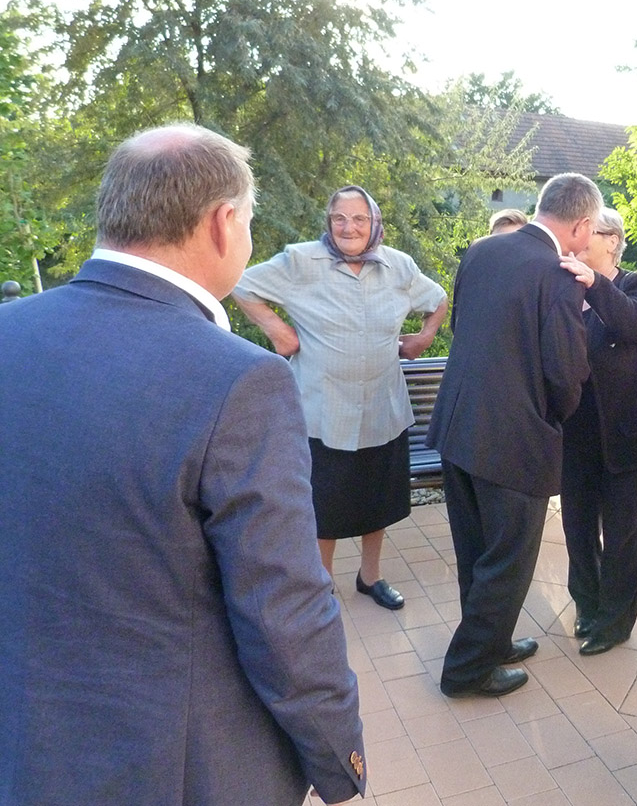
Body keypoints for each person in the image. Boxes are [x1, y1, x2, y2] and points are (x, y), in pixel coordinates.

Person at [0, 124, 365, 805]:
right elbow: (283, 607)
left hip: (26, 751)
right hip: (179, 766)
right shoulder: (239, 380)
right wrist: (339, 758)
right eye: (249, 221)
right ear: (224, 223)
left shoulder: (9, 331)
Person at [233, 185, 447, 610]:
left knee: (378, 500)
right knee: (324, 505)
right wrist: (277, 330)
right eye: (339, 218)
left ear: (375, 223)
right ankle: (322, 584)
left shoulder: (398, 266)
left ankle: (371, 577)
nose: (349, 227)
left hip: (383, 409)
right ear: (328, 222)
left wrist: (424, 337)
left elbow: (438, 299)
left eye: (359, 219)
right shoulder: (300, 261)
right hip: (323, 412)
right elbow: (241, 284)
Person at [428, 172, 599, 698]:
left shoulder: (482, 251)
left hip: (458, 426)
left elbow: (462, 327)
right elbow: (566, 372)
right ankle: (468, 670)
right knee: (507, 559)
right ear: (581, 225)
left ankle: (492, 642)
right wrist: (553, 416)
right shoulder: (559, 274)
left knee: (476, 551)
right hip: (514, 438)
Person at [558, 207, 637, 656]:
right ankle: (587, 606)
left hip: (633, 435)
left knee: (626, 534)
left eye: (590, 230)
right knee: (578, 527)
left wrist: (594, 283)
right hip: (576, 434)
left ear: (612, 240)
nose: (579, 237)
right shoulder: (565, 289)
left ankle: (614, 622)